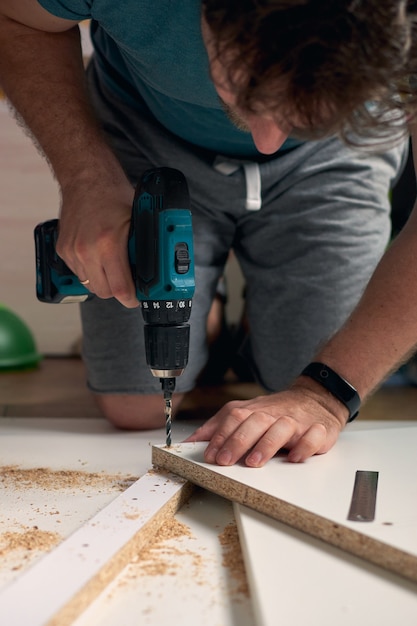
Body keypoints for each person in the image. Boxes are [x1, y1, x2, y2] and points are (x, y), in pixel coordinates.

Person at [0, 1, 416, 468]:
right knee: (133, 406)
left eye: (301, 112)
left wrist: (323, 394)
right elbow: (15, 18)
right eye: (243, 91)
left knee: (307, 381)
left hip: (332, 157)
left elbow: (327, 391)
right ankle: (208, 311)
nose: (266, 139)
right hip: (147, 128)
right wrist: (86, 179)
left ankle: (259, 316)